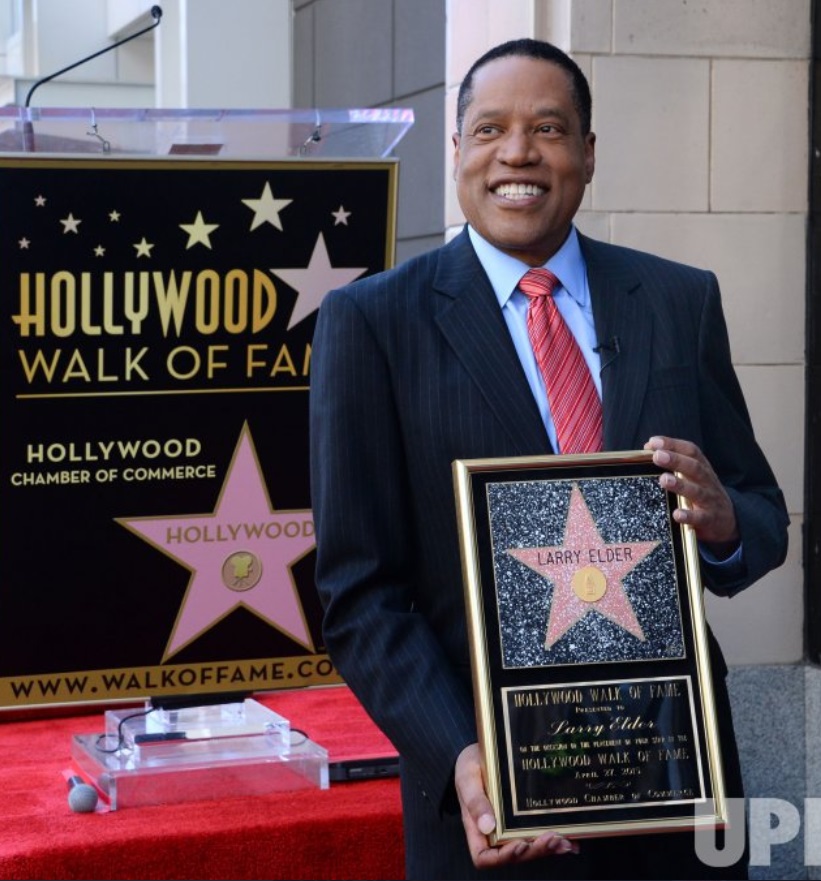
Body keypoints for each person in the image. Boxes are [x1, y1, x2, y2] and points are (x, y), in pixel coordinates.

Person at [308, 38, 789, 880]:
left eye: (549, 128)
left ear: (588, 153)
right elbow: (358, 592)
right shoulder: (372, 324)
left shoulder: (679, 301)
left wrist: (722, 525)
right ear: (456, 152)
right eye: (490, 129)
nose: (519, 152)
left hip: (674, 788)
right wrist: (459, 751)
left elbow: (758, 515)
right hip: (491, 800)